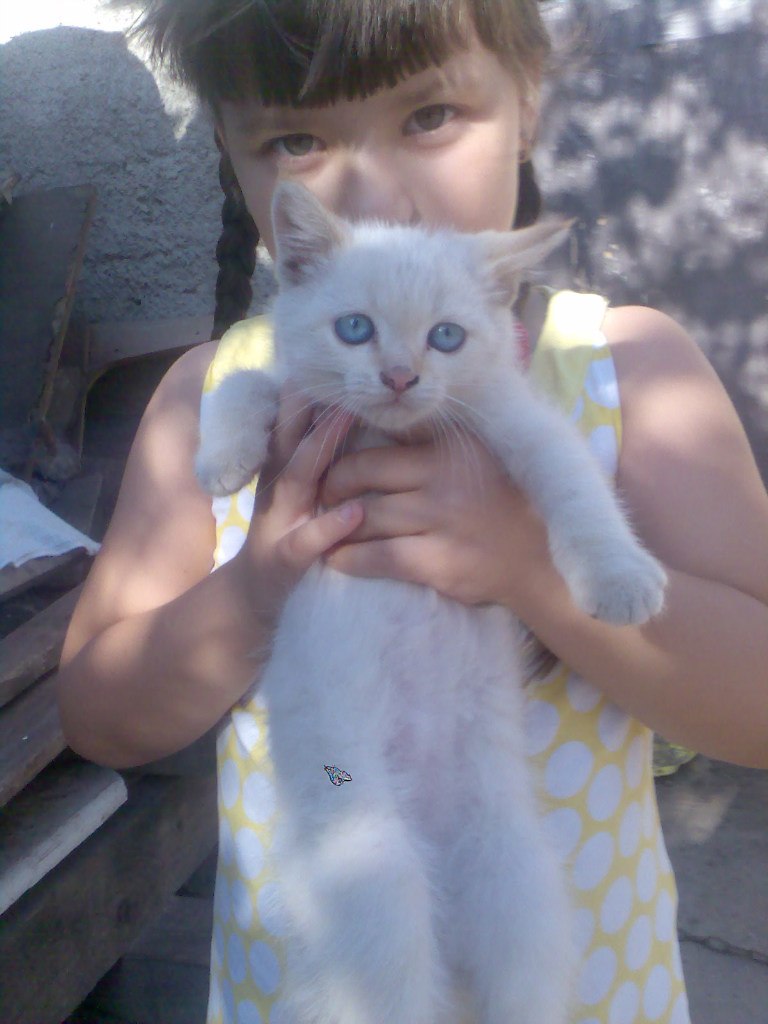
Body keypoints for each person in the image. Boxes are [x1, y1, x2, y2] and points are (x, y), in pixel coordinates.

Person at [55, 2, 768, 1022]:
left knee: (510, 885)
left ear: (528, 103)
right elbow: (98, 715)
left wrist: (527, 568)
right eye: (296, 139)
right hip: (324, 877)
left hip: (589, 975)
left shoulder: (630, 374)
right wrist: (253, 590)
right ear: (230, 151)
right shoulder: (207, 399)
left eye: (428, 116)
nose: (372, 191)